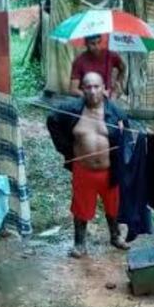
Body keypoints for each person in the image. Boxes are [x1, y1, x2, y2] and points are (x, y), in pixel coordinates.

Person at [47, 71, 129, 257]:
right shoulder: (72, 110)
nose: (92, 91)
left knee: (113, 206)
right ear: (82, 89)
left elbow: (131, 134)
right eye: (88, 87)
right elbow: (52, 120)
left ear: (104, 89)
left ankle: (115, 236)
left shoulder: (116, 112)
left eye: (96, 86)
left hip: (110, 171)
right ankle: (80, 243)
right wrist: (67, 150)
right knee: (81, 207)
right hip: (83, 171)